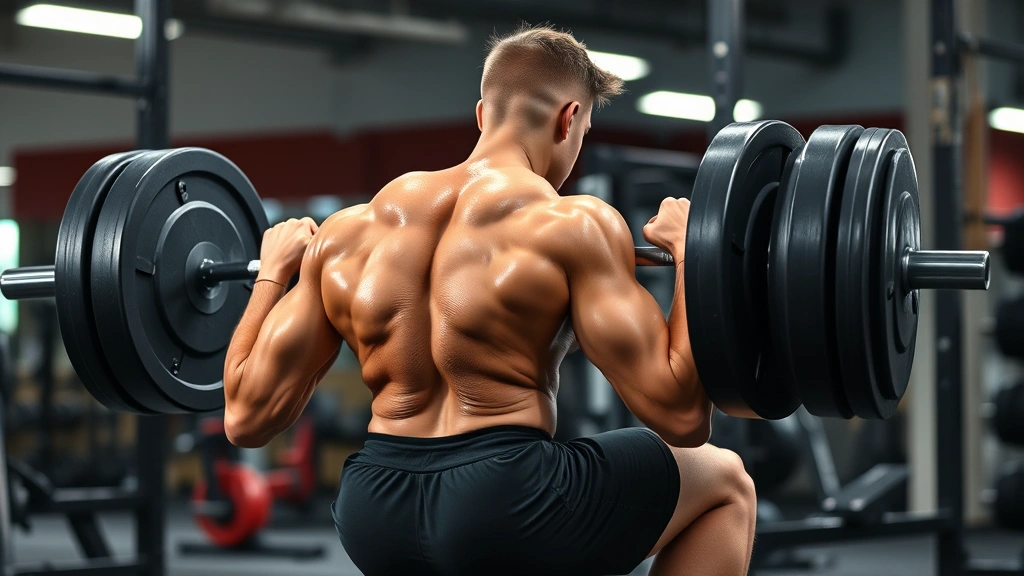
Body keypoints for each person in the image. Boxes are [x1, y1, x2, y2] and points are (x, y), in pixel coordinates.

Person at [222, 24, 756, 576]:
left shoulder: (345, 234)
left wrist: (273, 276)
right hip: (504, 502)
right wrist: (694, 253)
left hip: (372, 506)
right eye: (584, 131)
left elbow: (245, 417)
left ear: (482, 115)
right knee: (724, 480)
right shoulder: (571, 223)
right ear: (568, 119)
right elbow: (682, 416)